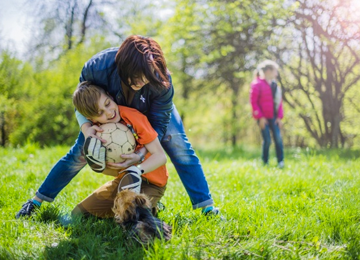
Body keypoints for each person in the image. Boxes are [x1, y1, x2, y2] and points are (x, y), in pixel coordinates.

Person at [16, 35, 218, 219]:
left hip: (152, 113)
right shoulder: (97, 68)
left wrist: (139, 155)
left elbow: (159, 126)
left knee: (178, 145)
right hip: (107, 109)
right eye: (138, 76)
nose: (142, 81)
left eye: (148, 76)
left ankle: (206, 207)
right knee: (79, 151)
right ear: (124, 66)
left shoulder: (161, 80)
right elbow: (82, 101)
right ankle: (37, 201)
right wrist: (86, 129)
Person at [71, 82, 167, 217]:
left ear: (110, 96)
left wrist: (136, 170)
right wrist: (98, 167)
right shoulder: (97, 133)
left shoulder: (133, 117)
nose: (109, 112)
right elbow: (112, 170)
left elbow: (161, 157)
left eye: (107, 103)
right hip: (122, 183)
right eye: (100, 113)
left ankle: (149, 206)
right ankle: (128, 205)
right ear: (90, 119)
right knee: (78, 215)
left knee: (133, 216)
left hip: (152, 182)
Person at [250, 60, 284, 168]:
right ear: (268, 71)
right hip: (263, 118)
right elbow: (253, 102)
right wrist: (260, 117)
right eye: (275, 71)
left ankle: (280, 161)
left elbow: (279, 103)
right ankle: (265, 162)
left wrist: (279, 117)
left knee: (278, 138)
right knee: (267, 140)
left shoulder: (275, 86)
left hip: (274, 118)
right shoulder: (257, 84)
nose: (276, 74)